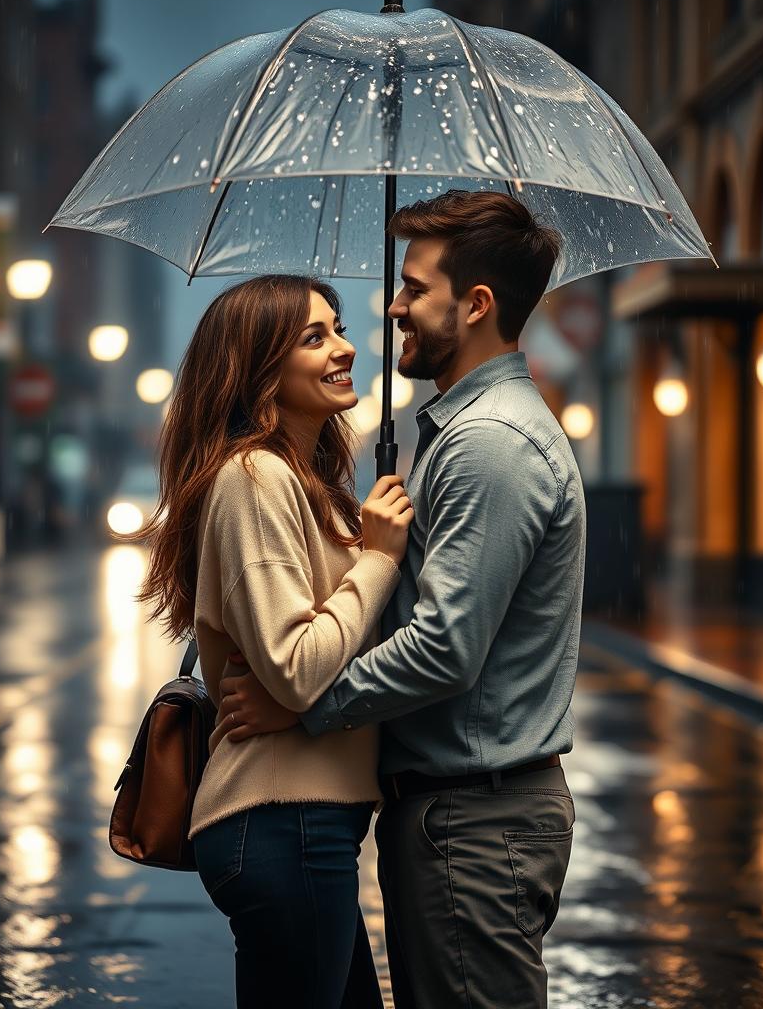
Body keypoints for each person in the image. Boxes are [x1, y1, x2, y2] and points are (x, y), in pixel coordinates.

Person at [220, 190, 586, 1008]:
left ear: (478, 304)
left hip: (475, 821)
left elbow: (444, 648)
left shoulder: (490, 443)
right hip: (458, 816)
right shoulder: (455, 432)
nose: (392, 306)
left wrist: (304, 704)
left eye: (415, 288)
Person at [131, 274, 413, 1008]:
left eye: (338, 327)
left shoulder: (302, 481)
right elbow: (294, 667)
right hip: (284, 821)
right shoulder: (254, 478)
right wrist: (379, 558)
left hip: (303, 825)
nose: (345, 348)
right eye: (313, 338)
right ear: (257, 371)